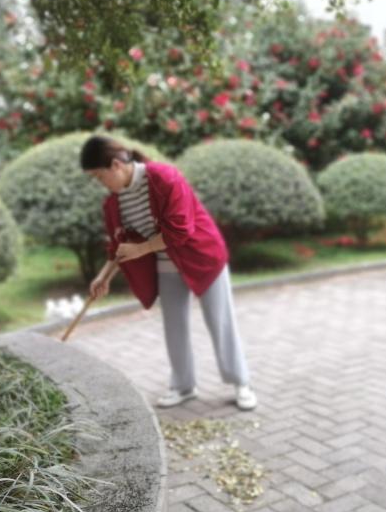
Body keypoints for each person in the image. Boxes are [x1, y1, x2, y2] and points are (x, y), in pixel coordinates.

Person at [80, 135, 257, 411]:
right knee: (174, 327)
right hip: (166, 265)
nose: (99, 184)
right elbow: (118, 246)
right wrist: (103, 276)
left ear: (116, 165)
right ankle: (184, 386)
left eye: (99, 176)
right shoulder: (113, 204)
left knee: (220, 321)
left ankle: (241, 383)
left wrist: (142, 249)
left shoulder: (164, 178)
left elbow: (179, 230)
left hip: (203, 258)